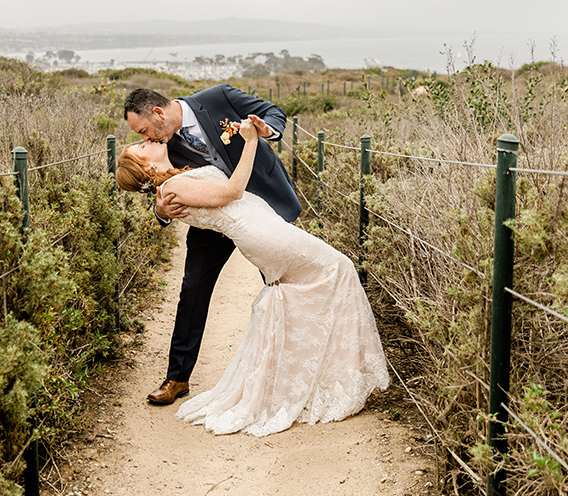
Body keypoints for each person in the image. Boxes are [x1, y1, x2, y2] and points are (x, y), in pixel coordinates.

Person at [116, 116, 389, 436]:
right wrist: (250, 141)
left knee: (308, 286)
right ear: (145, 167)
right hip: (258, 231)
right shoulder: (172, 187)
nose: (146, 141)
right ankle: (336, 374)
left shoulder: (176, 164)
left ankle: (315, 375)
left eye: (142, 137)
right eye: (141, 145)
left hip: (260, 225)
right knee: (338, 269)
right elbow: (231, 191)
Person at [124, 85, 301, 406]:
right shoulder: (164, 146)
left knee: (280, 284)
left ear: (159, 113)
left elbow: (274, 112)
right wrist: (160, 210)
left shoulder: (219, 98)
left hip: (263, 205)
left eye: (144, 130)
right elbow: (158, 186)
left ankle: (292, 370)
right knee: (193, 289)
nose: (146, 139)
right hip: (214, 220)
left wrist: (266, 129)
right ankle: (177, 378)